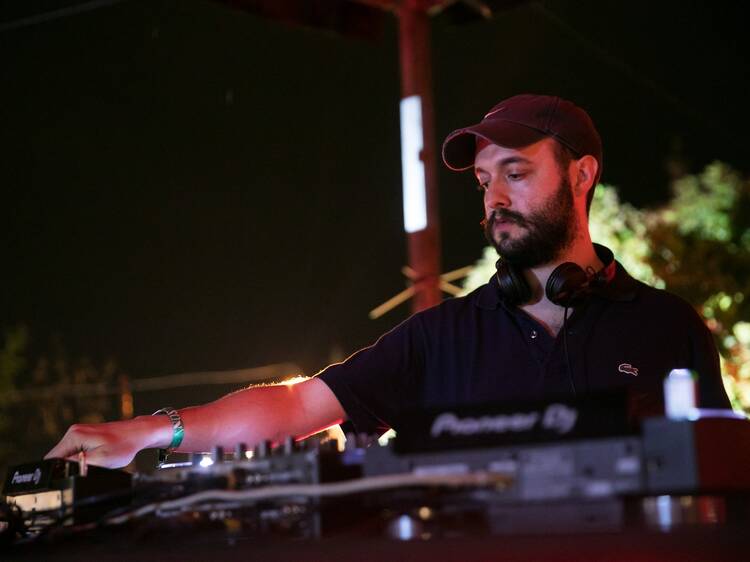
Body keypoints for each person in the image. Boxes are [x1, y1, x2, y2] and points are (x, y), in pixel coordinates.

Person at [46, 94, 730, 469]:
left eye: (516, 174)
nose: (494, 199)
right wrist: (145, 432)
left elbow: (728, 475)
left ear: (582, 176)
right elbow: (296, 406)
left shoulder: (669, 327)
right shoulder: (441, 338)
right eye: (484, 181)